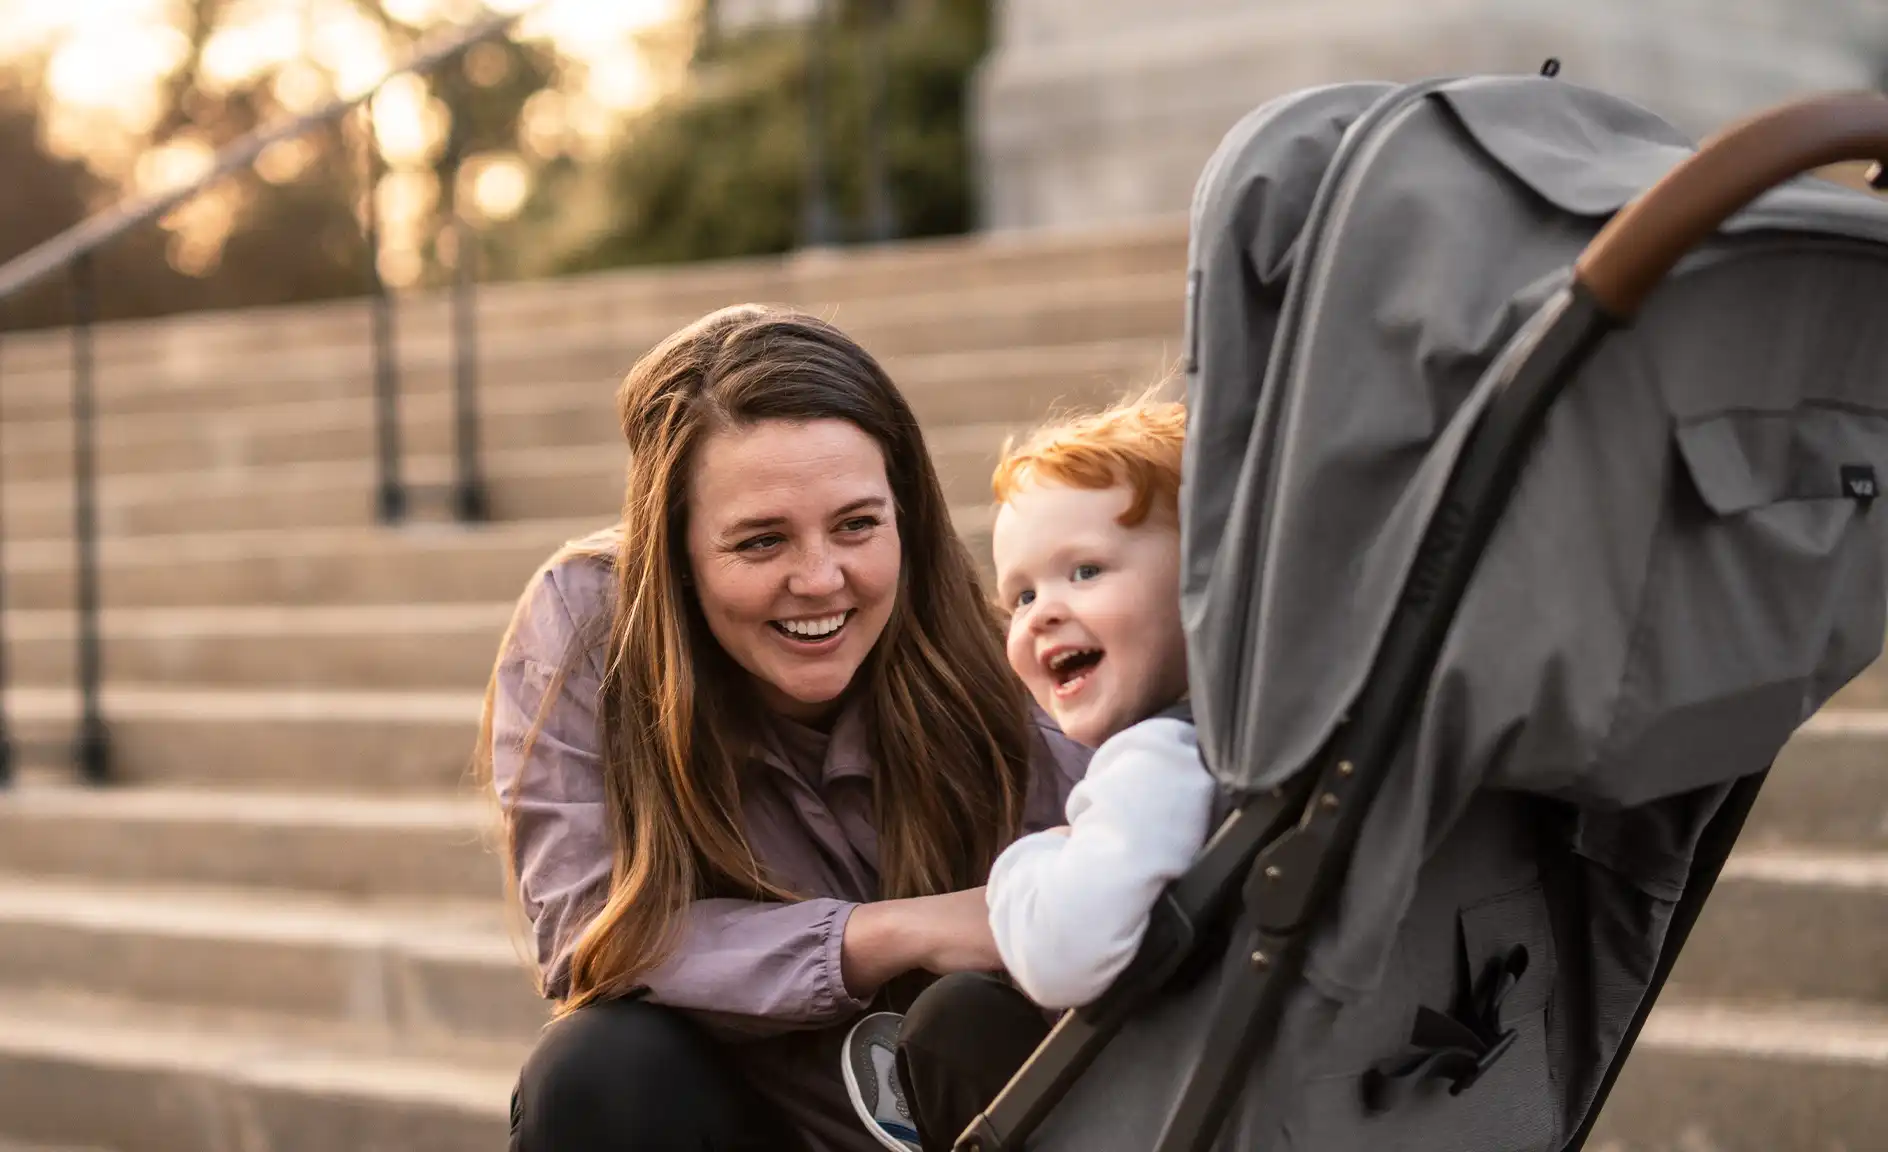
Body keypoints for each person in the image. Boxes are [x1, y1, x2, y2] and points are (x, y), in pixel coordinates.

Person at [479, 305, 1092, 1152]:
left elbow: (1101, 887)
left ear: (903, 515)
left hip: (953, 1114)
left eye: (857, 524)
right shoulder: (589, 622)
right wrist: (886, 933)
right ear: (677, 554)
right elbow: (591, 938)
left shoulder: (989, 644)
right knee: (597, 1066)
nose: (820, 579)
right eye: (761, 542)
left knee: (972, 1017)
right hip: (731, 1111)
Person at [885, 397, 1218, 1152]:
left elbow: (1062, 954)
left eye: (1086, 571)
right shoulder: (1256, 740)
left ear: (1204, 579)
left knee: (950, 1025)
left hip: (1181, 1110)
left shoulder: (1157, 762)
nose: (1040, 615)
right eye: (1023, 596)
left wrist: (1028, 861)